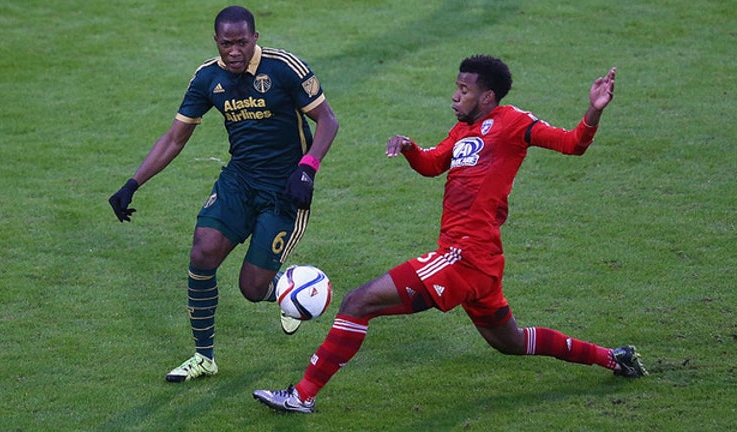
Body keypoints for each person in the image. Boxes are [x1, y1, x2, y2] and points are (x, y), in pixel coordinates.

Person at [253, 55, 647, 413]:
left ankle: (303, 395)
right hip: (481, 263)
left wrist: (592, 112)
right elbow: (432, 164)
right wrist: (409, 148)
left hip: (464, 256)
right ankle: (612, 357)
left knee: (358, 302)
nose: (455, 97)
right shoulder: (462, 132)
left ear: (488, 96)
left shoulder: (514, 123)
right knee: (509, 341)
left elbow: (573, 144)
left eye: (464, 90)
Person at [108, 5, 339, 383]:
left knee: (251, 288)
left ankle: (290, 293)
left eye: (242, 43)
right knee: (202, 251)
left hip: (285, 190)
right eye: (226, 43)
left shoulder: (285, 68)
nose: (234, 51)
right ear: (216, 41)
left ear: (255, 39)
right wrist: (133, 183)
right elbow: (174, 138)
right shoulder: (206, 78)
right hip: (239, 181)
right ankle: (204, 357)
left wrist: (308, 168)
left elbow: (328, 120)